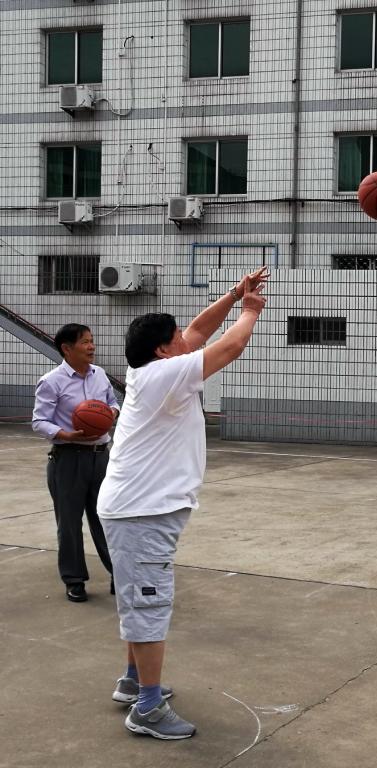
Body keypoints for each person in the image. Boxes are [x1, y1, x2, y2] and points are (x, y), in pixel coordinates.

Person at [97, 267, 268, 739]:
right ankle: (148, 708)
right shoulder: (164, 375)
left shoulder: (156, 368)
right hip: (141, 513)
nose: (185, 339)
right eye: (175, 337)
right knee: (150, 605)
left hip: (139, 509)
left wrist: (232, 295)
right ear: (162, 350)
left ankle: (134, 682)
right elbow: (229, 347)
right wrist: (251, 310)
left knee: (141, 598)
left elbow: (197, 331)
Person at [31, 324, 120, 602]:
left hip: (101, 456)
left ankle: (120, 574)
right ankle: (74, 579)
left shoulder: (100, 374)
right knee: (69, 523)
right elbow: (39, 421)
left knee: (107, 518)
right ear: (67, 348)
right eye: (85, 342)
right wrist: (64, 434)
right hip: (68, 458)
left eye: (92, 341)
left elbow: (113, 402)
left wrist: (110, 413)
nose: (91, 347)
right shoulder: (52, 381)